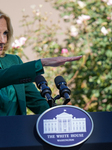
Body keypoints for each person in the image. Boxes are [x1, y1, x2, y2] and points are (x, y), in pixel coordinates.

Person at [0, 10, 82, 116]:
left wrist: (58, 115)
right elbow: (5, 76)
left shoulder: (13, 61)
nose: (3, 40)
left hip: (15, 130)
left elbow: (36, 101)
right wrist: (41, 63)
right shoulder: (14, 70)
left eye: (5, 33)